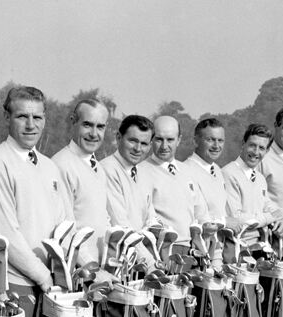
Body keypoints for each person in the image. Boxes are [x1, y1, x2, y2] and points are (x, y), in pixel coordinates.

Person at [0, 85, 68, 317]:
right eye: (22, 116)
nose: (30, 125)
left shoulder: (50, 166)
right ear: (7, 117)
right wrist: (44, 277)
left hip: (51, 284)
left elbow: (63, 226)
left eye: (37, 117)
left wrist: (61, 275)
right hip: (18, 283)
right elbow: (5, 231)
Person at [51, 98, 112, 269]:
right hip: (78, 270)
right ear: (73, 122)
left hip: (100, 270)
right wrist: (91, 267)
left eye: (100, 127)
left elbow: (102, 219)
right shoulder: (61, 164)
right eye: (87, 125)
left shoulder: (98, 168)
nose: (94, 134)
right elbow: (65, 227)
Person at [100, 114, 158, 266]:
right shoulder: (107, 169)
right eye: (133, 141)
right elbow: (120, 223)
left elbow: (150, 218)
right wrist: (150, 263)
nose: (138, 149)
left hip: (138, 260)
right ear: (119, 138)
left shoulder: (143, 173)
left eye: (144, 143)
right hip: (116, 261)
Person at [221, 123, 283, 249]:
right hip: (236, 248)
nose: (256, 152)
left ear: (267, 151)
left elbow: (269, 207)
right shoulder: (228, 173)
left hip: (260, 246)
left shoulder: (260, 178)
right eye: (252, 145)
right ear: (243, 144)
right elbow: (236, 218)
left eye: (261, 148)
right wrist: (271, 217)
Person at [144, 115, 208, 248]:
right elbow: (147, 217)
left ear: (179, 140)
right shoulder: (142, 171)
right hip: (162, 250)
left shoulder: (187, 170)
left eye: (170, 140)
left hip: (192, 250)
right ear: (151, 139)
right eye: (159, 139)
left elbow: (200, 211)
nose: (164, 146)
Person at [184, 117, 228, 225]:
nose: (216, 146)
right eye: (210, 140)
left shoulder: (217, 169)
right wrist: (225, 222)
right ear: (195, 141)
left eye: (220, 140)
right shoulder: (185, 171)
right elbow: (195, 215)